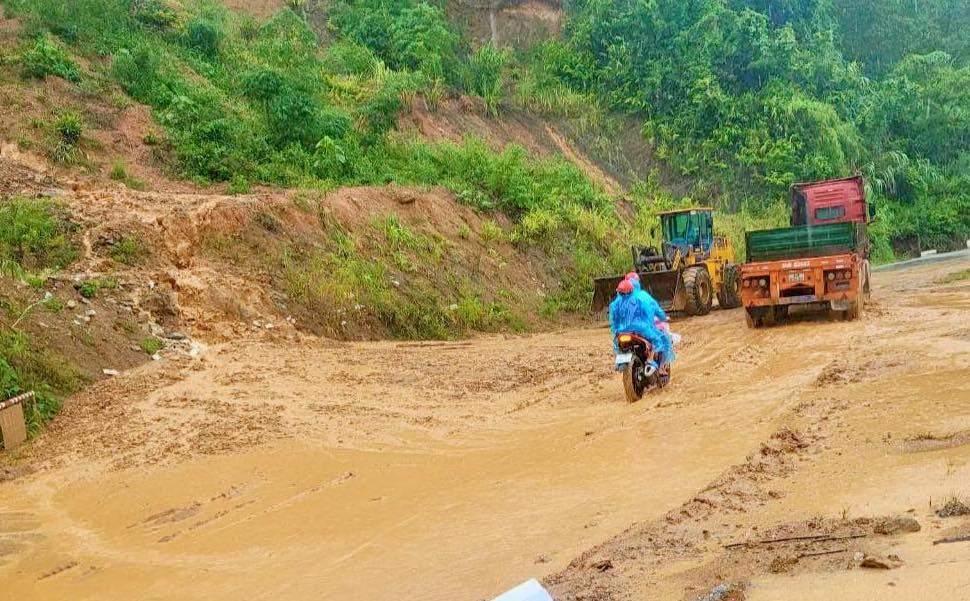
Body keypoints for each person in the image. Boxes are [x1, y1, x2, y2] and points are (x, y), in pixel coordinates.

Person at [609, 273, 675, 368]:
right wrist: (662, 318)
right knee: (658, 340)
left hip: (621, 331)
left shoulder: (615, 304)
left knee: (617, 345)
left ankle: (620, 363)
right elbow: (649, 312)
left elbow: (614, 320)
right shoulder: (640, 299)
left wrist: (617, 330)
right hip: (640, 328)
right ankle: (651, 361)